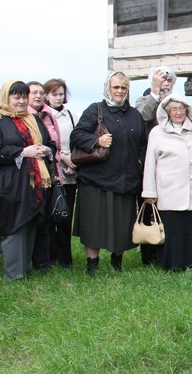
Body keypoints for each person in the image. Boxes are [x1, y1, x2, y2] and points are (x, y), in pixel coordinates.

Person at [71, 72, 147, 275]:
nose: (120, 91)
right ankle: (92, 264)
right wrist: (96, 141)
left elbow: (143, 144)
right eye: (116, 87)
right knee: (93, 223)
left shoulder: (135, 115)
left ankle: (117, 262)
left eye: (123, 88)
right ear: (108, 88)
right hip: (96, 179)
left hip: (125, 179)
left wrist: (138, 162)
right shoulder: (95, 110)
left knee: (121, 224)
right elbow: (77, 135)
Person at [0, 80, 56, 281]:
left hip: (33, 184)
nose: (21, 101)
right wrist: (23, 152)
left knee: (30, 223)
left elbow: (50, 143)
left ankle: (24, 269)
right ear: (6, 97)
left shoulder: (33, 120)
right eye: (16, 97)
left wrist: (46, 150)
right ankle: (14, 275)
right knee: (14, 226)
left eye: (24, 97)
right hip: (9, 185)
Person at [141, 95, 192, 270]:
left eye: (182, 109)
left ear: (187, 110)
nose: (178, 113)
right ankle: (172, 263)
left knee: (191, 228)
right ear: (167, 112)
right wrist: (150, 192)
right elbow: (150, 163)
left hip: (191, 189)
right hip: (168, 190)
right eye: (174, 109)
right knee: (172, 230)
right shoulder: (157, 132)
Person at [135, 66, 176, 266]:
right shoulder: (144, 100)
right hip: (148, 164)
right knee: (149, 210)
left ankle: (166, 252)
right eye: (161, 79)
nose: (165, 83)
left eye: (168, 80)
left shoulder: (176, 102)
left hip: (171, 164)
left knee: (168, 211)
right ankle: (148, 255)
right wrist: (155, 92)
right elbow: (141, 117)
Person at [44, 78, 78, 267]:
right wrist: (63, 157)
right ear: (47, 96)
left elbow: (77, 140)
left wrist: (73, 161)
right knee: (50, 216)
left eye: (61, 94)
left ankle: (65, 259)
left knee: (66, 216)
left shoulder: (71, 115)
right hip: (52, 170)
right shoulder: (43, 115)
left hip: (70, 173)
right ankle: (50, 256)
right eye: (54, 94)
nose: (58, 98)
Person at [27, 81, 61, 272]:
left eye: (41, 93)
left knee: (46, 220)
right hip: (28, 175)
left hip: (47, 172)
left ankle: (44, 261)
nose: (38, 96)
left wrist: (47, 150)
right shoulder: (23, 118)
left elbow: (54, 145)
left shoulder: (47, 116)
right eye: (34, 93)